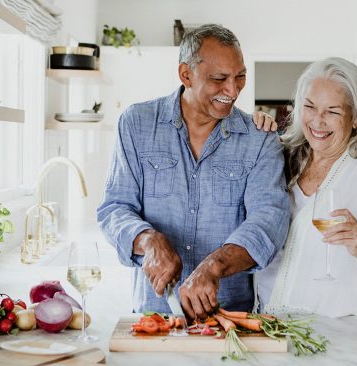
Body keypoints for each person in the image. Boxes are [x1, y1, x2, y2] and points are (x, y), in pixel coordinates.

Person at [97, 24, 290, 319]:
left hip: (229, 318)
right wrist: (148, 240)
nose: (233, 90)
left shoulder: (260, 139)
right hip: (153, 315)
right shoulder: (136, 124)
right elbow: (114, 208)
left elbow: (268, 221)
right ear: (186, 74)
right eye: (219, 79)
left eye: (240, 77)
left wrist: (214, 266)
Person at [254, 57, 357, 317]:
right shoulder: (284, 156)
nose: (317, 121)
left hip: (330, 333)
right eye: (310, 107)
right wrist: (253, 130)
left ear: (355, 118)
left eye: (333, 111)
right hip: (267, 321)